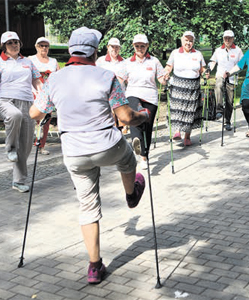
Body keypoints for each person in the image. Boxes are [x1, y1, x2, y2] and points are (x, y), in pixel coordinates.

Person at [29, 27, 150, 285]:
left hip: (75, 152)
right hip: (107, 144)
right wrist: (144, 116)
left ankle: (94, 266)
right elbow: (126, 117)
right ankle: (131, 195)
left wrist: (50, 108)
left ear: (71, 51)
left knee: (88, 206)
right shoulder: (106, 75)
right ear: (95, 51)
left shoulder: (54, 79)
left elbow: (34, 113)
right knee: (128, 159)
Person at [0, 31, 42, 193]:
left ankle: (18, 181)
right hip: (4, 101)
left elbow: (37, 81)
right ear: (4, 46)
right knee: (14, 115)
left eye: (16, 42)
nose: (14, 45)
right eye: (10, 43)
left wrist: (43, 96)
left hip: (27, 103)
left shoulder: (27, 62)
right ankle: (10, 147)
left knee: (26, 145)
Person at [117, 34, 166, 169]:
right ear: (133, 46)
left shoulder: (154, 61)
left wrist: (165, 79)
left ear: (147, 46)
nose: (140, 49)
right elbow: (120, 80)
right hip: (133, 94)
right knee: (134, 117)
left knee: (147, 128)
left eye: (142, 46)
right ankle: (136, 140)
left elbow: (161, 78)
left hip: (150, 97)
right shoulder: (127, 62)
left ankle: (144, 156)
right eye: (137, 46)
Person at [164, 31, 206, 146]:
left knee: (190, 112)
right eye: (186, 40)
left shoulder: (198, 54)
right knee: (177, 108)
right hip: (178, 85)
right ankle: (177, 132)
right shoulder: (175, 53)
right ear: (182, 40)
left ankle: (187, 136)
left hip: (193, 87)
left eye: (191, 41)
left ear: (193, 42)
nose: (188, 43)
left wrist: (205, 73)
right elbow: (169, 67)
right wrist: (166, 73)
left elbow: (202, 69)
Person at [207, 30, 244, 131]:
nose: (227, 40)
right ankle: (219, 109)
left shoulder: (238, 50)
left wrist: (234, 72)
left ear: (233, 38)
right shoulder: (219, 50)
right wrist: (209, 69)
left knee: (229, 101)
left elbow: (242, 64)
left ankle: (227, 121)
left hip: (232, 78)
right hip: (220, 75)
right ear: (223, 39)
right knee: (218, 85)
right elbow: (213, 61)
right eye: (225, 38)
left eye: (229, 38)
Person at [29, 37, 60, 155]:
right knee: (33, 120)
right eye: (41, 45)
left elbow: (58, 77)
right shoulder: (30, 60)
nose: (44, 48)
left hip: (48, 95)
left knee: (46, 121)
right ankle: (29, 143)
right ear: (36, 47)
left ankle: (41, 145)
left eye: (46, 46)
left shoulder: (53, 61)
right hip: (33, 94)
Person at [96, 37, 128, 133]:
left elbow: (125, 79)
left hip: (120, 97)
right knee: (109, 124)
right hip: (105, 96)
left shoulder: (124, 62)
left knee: (122, 127)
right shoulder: (100, 61)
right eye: (112, 47)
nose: (115, 49)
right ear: (108, 47)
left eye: (117, 47)